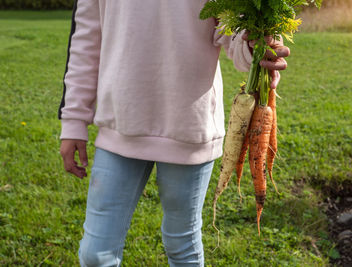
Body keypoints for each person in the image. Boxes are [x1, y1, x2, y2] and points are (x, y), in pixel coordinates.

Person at [58, 1, 290, 266]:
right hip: (119, 126)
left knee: (182, 246)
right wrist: (74, 119)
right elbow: (86, 41)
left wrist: (258, 46)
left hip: (188, 129)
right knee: (95, 255)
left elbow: (234, 32)